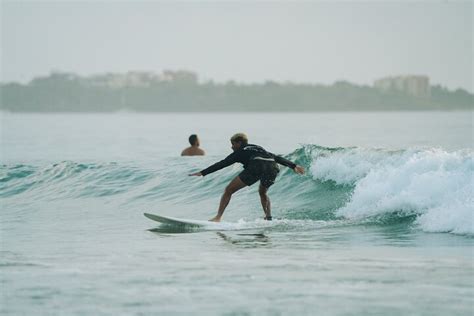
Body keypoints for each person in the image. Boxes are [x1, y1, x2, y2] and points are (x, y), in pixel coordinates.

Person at [189, 133, 305, 222]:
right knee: (263, 192)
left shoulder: (240, 151)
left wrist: (203, 172)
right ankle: (268, 217)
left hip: (256, 165)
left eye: (233, 144)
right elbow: (275, 157)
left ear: (239, 143)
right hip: (272, 167)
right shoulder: (258, 147)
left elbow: (223, 163)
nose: (232, 147)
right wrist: (293, 166)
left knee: (228, 190)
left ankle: (218, 217)